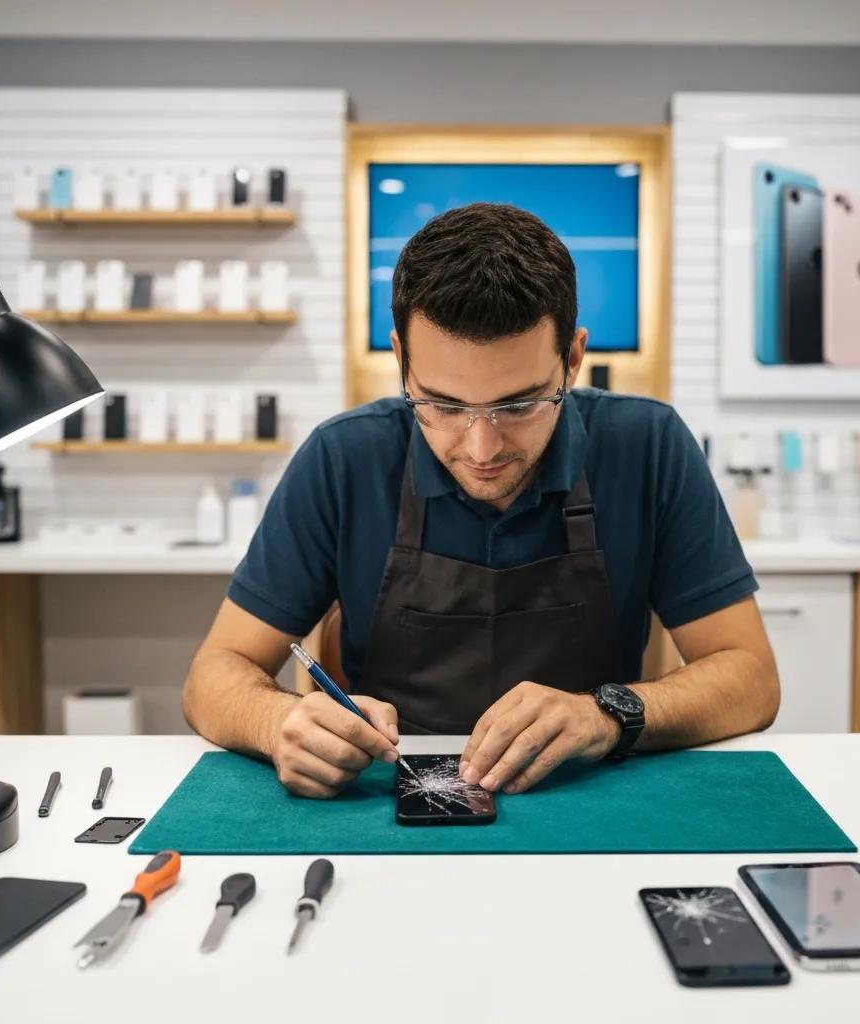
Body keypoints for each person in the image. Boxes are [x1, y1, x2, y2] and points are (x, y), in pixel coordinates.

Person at [183, 202, 779, 799]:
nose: (482, 446)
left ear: (572, 358)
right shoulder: (344, 459)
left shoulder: (647, 446)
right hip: (391, 806)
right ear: (401, 361)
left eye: (519, 405)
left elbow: (750, 678)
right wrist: (279, 721)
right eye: (442, 405)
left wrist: (606, 713)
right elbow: (214, 674)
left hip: (590, 801)